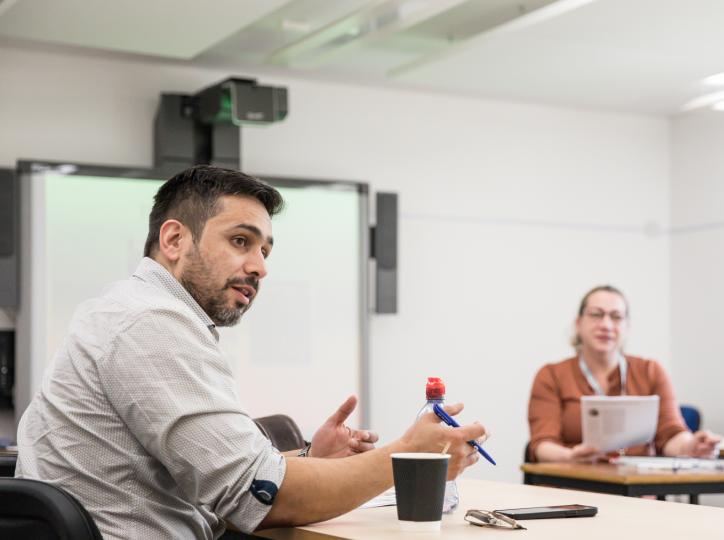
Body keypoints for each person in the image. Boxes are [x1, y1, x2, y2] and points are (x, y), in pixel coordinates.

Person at [16, 165, 486, 539]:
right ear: (174, 240)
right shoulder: (150, 323)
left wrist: (308, 457)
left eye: (265, 250)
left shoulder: (130, 310)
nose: (259, 267)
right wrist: (410, 455)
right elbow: (262, 498)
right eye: (241, 241)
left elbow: (220, 477)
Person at [527, 285, 719, 462]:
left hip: (634, 489)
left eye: (616, 317)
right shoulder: (551, 375)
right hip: (572, 486)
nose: (606, 325)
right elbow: (542, 444)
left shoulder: (650, 371)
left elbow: (670, 433)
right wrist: (570, 456)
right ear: (578, 323)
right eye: (596, 314)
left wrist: (691, 445)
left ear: (627, 326)